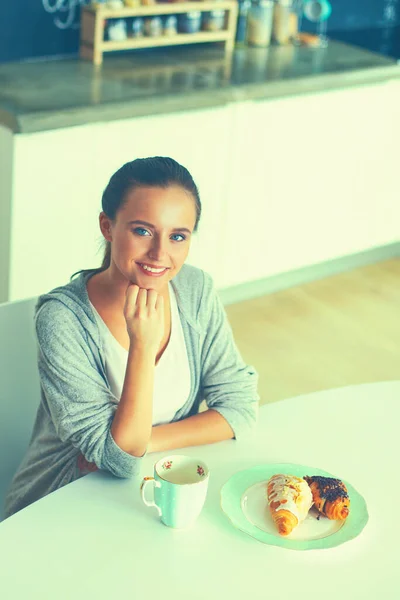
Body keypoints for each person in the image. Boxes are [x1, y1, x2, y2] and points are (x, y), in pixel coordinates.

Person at [4, 157, 259, 518]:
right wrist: (143, 344)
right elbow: (121, 461)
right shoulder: (62, 319)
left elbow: (240, 408)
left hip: (155, 490)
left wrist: (146, 445)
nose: (160, 254)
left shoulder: (194, 289)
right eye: (142, 231)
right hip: (62, 500)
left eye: (177, 236)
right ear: (108, 227)